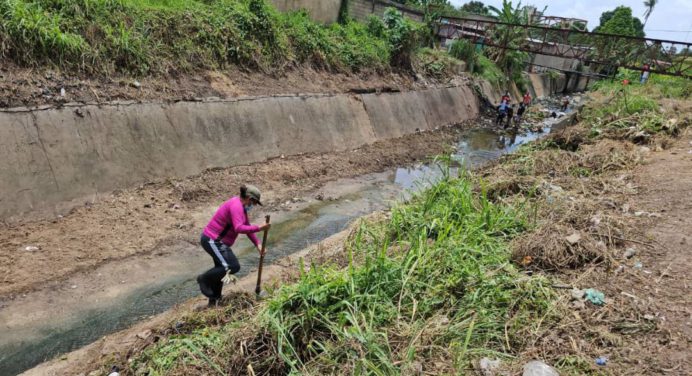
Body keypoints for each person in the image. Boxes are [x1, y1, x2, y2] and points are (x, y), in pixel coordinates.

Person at [197, 185, 270, 307]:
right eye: (254, 202)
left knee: (221, 269)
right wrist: (260, 228)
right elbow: (239, 228)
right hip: (212, 240)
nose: (254, 205)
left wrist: (258, 244)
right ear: (248, 198)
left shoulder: (242, 207)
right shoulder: (236, 206)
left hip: (219, 242)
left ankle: (214, 299)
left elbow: (246, 226)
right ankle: (204, 279)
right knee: (232, 266)